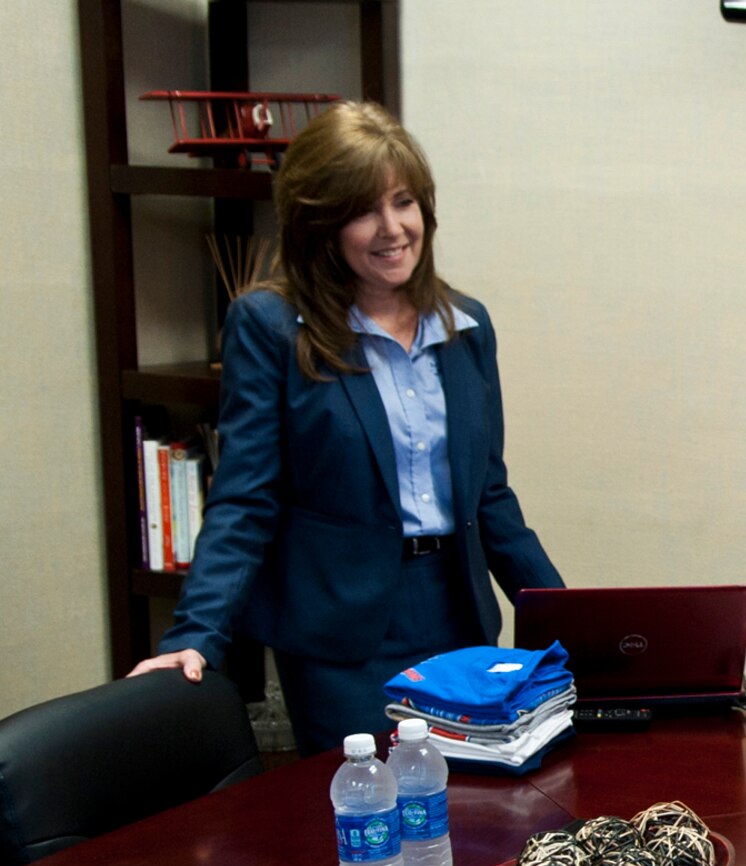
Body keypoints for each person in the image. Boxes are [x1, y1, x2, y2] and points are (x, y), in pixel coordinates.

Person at [128, 102, 561, 755]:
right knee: (369, 802)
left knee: (477, 801)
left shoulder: (466, 326)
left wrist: (568, 619)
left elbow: (489, 495)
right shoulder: (269, 326)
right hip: (340, 635)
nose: (393, 228)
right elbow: (246, 498)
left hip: (457, 615)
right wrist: (196, 633)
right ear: (319, 224)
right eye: (363, 211)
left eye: (404, 202)